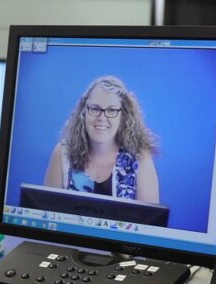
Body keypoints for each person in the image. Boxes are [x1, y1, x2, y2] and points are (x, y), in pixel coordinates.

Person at [43, 76, 160, 204]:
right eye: (95, 108)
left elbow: (148, 221)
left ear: (123, 116)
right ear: (84, 113)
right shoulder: (62, 153)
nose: (102, 117)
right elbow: (45, 213)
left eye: (111, 110)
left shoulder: (140, 158)